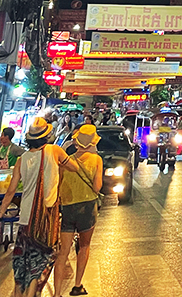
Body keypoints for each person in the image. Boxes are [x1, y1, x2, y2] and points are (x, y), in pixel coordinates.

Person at [0, 115, 80, 297]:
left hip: (25, 217)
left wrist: (2, 210)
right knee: (42, 260)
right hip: (46, 219)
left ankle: (21, 293)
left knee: (23, 261)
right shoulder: (55, 151)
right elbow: (74, 167)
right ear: (47, 136)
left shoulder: (22, 159)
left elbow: (11, 191)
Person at [52, 126, 103, 297]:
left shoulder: (66, 161)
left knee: (63, 252)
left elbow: (58, 185)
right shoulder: (97, 160)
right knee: (84, 246)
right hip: (87, 208)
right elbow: (97, 187)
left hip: (68, 208)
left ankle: (57, 293)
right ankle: (77, 285)